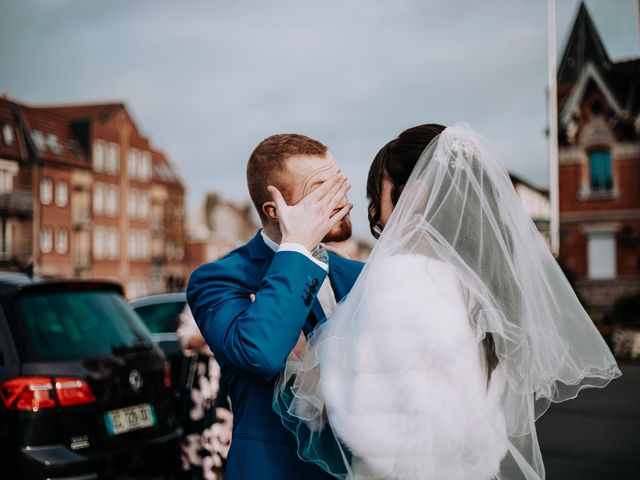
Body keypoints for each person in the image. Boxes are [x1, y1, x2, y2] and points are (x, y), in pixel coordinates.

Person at [274, 123, 621, 479]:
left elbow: (372, 428)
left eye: (376, 195)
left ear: (418, 194)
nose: (374, 212)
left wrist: (302, 355)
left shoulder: (403, 279)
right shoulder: (483, 280)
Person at [187, 133, 364, 480]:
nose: (343, 199)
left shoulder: (361, 275)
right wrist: (297, 247)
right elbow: (261, 353)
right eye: (323, 192)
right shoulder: (219, 279)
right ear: (275, 210)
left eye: (339, 183)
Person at [176, 305, 232, 480]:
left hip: (228, 379)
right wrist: (215, 332)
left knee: (227, 434)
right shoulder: (200, 298)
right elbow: (185, 339)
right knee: (202, 432)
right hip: (204, 381)